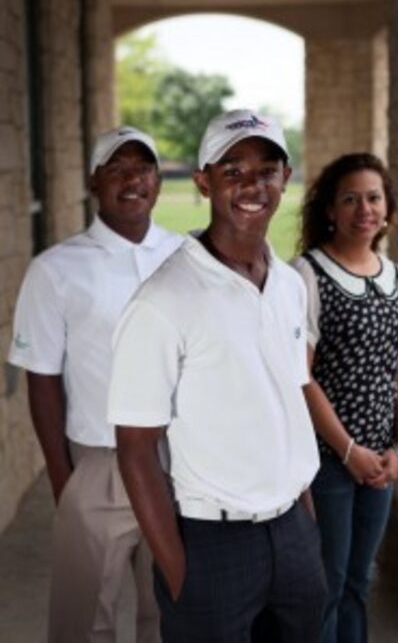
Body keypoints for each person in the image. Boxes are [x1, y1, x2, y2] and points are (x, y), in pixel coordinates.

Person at [107, 108, 327, 643]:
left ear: (286, 178)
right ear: (203, 182)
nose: (253, 184)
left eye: (267, 169)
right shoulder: (163, 301)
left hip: (293, 532)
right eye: (233, 171)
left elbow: (289, 400)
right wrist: (180, 572)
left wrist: (305, 520)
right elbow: (135, 447)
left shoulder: (289, 286)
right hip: (211, 543)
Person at [8, 125, 183, 643]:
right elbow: (42, 381)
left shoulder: (186, 256)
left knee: (173, 607)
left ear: (157, 180)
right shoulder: (55, 270)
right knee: (85, 620)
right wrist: (66, 483)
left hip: (177, 459)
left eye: (144, 167)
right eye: (118, 168)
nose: (133, 179)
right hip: (98, 461)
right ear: (94, 181)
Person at [292, 152, 398, 643]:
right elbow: (300, 377)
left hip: (381, 463)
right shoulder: (307, 272)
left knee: (359, 582)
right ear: (330, 210)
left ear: (387, 209)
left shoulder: (396, 276)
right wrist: (348, 451)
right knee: (327, 584)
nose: (363, 209)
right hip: (328, 460)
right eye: (350, 199)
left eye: (373, 198)